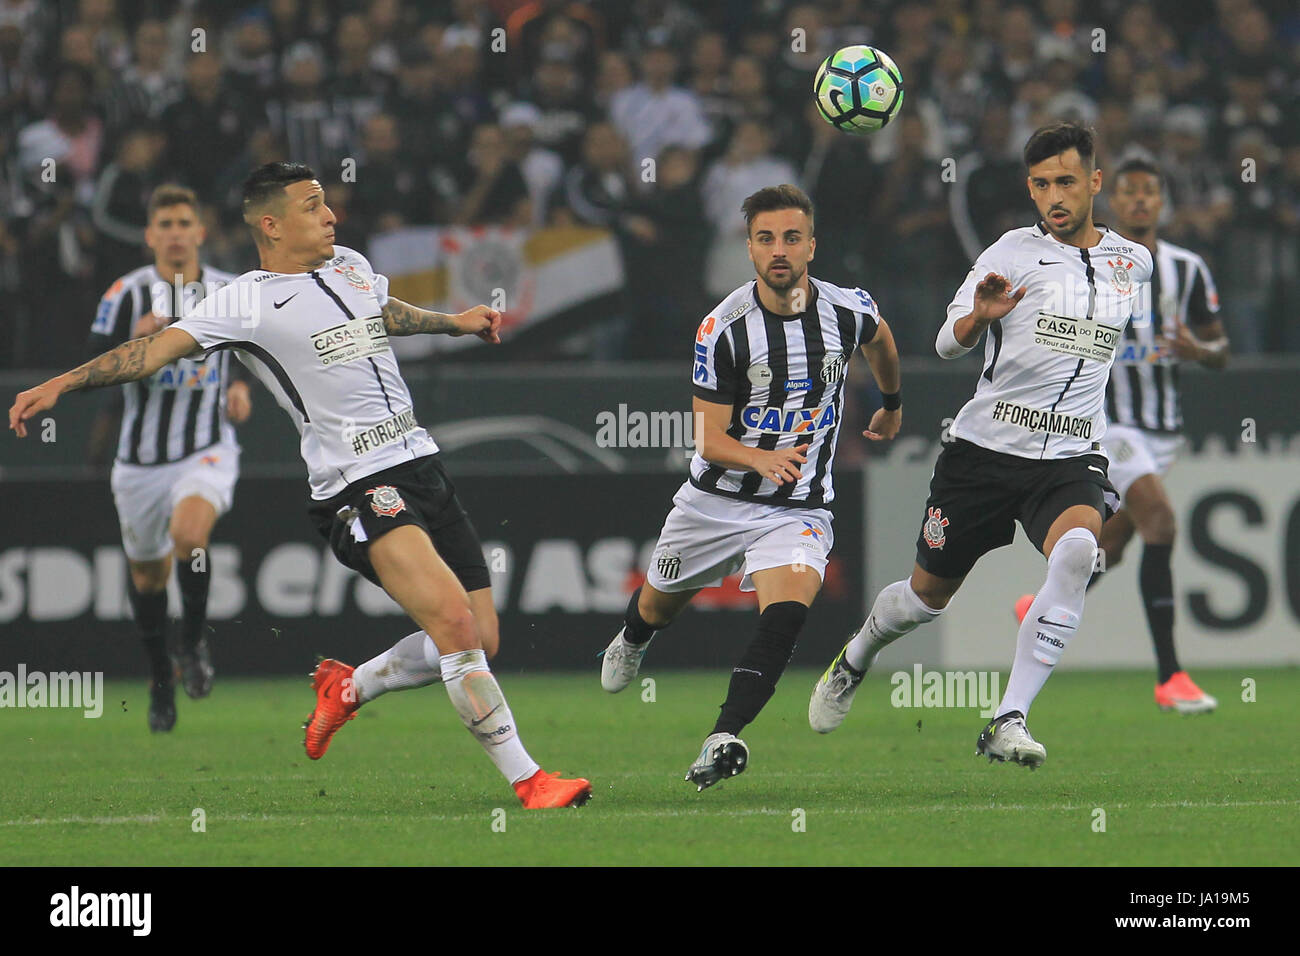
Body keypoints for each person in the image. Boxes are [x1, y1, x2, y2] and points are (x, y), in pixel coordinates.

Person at [10, 161, 591, 810]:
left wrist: (452, 322)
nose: (330, 216)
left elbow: (381, 313)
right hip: (354, 483)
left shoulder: (349, 263)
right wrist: (59, 384)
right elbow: (150, 353)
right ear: (270, 224)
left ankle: (349, 688)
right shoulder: (242, 301)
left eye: (327, 204)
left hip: (420, 462)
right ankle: (530, 780)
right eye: (313, 207)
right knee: (454, 626)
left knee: (483, 637)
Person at [808, 122, 1153, 769]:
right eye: (1043, 183)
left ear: (1094, 183)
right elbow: (946, 341)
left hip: (1070, 456)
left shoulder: (1133, 263)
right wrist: (978, 318)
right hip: (985, 455)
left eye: (1067, 181)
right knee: (923, 600)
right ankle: (858, 655)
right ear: (1030, 187)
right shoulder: (1009, 254)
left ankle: (1008, 719)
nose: (1055, 194)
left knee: (1080, 552)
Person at [598, 183, 902, 791]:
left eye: (791, 238)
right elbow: (708, 439)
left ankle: (723, 735)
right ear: (750, 249)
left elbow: (880, 338)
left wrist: (891, 403)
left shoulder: (847, 308)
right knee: (658, 604)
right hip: (713, 503)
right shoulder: (724, 328)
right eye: (766, 239)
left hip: (798, 506)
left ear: (812, 245)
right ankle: (633, 637)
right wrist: (761, 457)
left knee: (786, 614)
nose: (779, 250)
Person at [1014, 156, 1228, 714]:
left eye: (1149, 192)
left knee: (1115, 544)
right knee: (1160, 519)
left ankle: (1042, 604)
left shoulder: (1187, 269)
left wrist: (1196, 351)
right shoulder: (1088, 263)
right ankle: (1171, 677)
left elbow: (1220, 349)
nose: (1139, 201)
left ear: (1162, 202)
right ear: (1113, 200)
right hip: (1110, 423)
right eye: (1129, 192)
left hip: (1164, 431)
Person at [86, 184, 248, 732]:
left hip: (206, 447)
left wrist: (242, 385)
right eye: (166, 225)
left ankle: (193, 641)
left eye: (185, 223)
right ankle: (161, 676)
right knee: (150, 579)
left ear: (200, 232)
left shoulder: (230, 291)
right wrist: (133, 344)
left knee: (191, 538)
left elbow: (258, 348)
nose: (176, 234)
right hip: (138, 463)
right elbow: (91, 373)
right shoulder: (125, 294)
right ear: (150, 235)